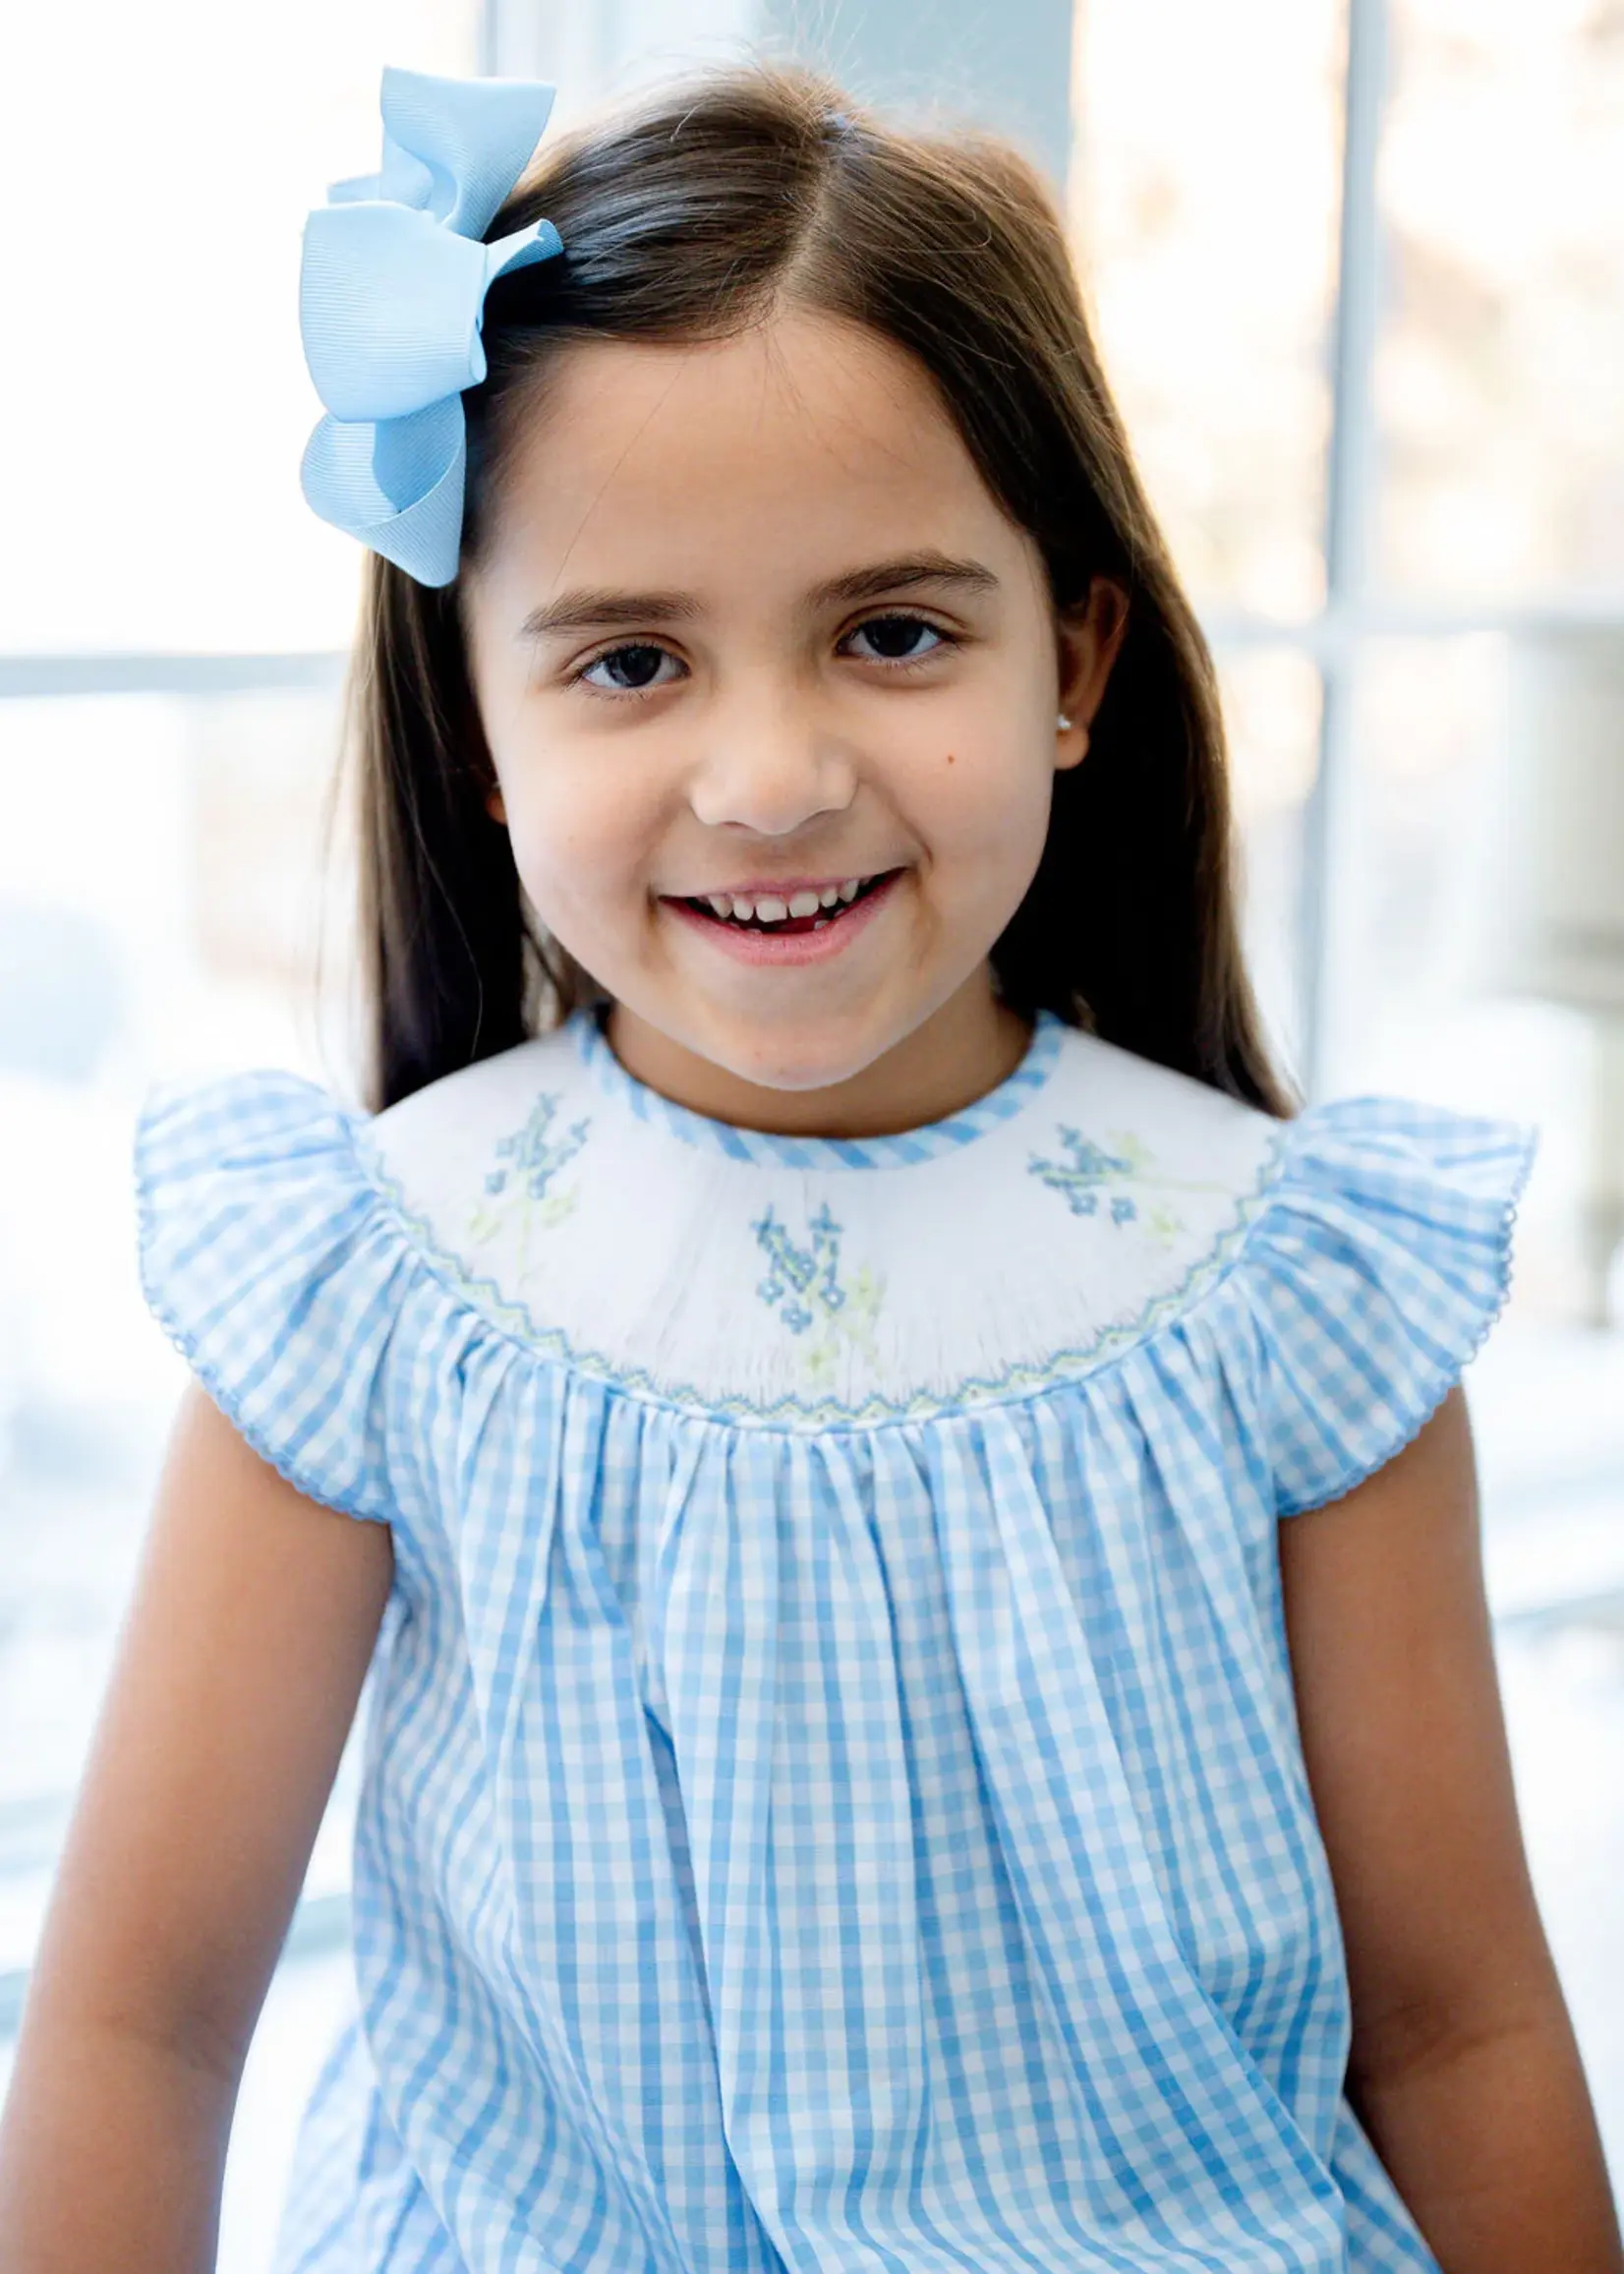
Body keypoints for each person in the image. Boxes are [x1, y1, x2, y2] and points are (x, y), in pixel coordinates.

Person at [0, 56, 1617, 2274]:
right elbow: (140, 2025)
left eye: (889, 632)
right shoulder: (377, 1286)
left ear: (1074, 657)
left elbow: (1456, 2035)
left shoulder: (1289, 1291)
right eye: (633, 659)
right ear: (478, 731)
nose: (767, 778)